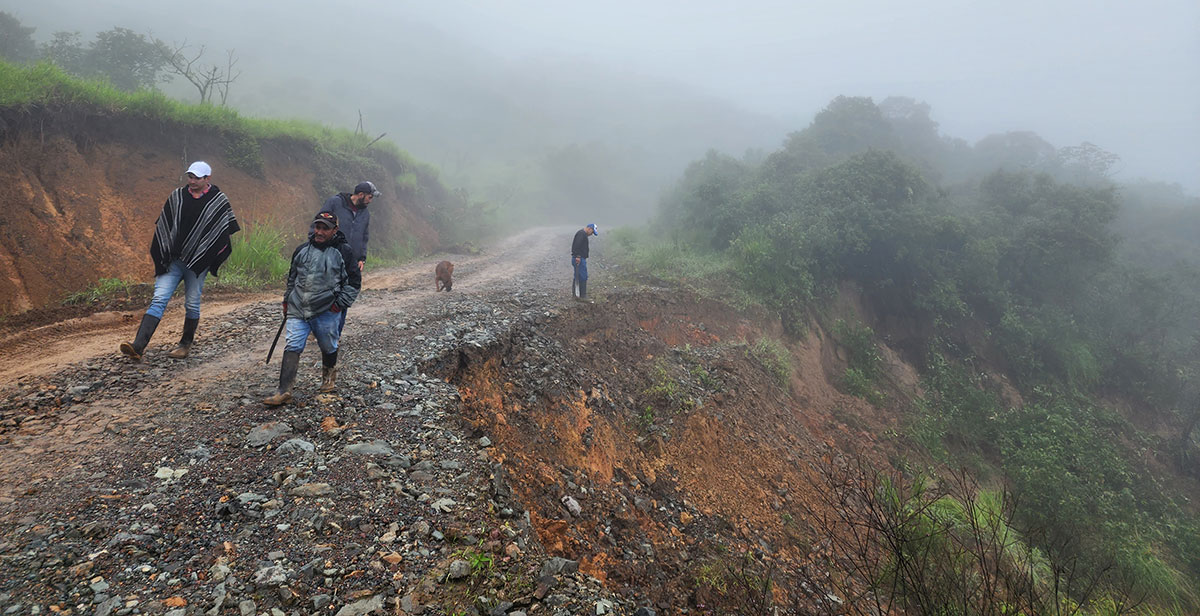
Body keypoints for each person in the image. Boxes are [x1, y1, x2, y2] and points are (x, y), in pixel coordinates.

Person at [120, 161, 239, 361]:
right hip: (174, 261)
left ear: (207, 179)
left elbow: (222, 232)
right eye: (190, 177)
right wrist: (165, 250)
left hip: (197, 264)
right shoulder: (177, 196)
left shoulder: (218, 201)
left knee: (192, 303)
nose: (192, 181)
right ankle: (138, 346)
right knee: (159, 299)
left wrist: (208, 256)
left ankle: (185, 345)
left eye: (197, 178)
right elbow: (165, 224)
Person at [263, 211, 361, 406]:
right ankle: (284, 390)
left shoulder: (344, 251)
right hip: (298, 307)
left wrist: (339, 304)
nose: (320, 231)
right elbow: (292, 278)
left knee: (328, 346)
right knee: (293, 344)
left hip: (327, 310)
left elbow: (353, 282)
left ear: (335, 230)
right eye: (318, 227)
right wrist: (286, 301)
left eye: (325, 228)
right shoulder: (301, 250)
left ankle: (328, 379)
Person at [317, 181, 377, 334]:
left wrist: (362, 258)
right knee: (323, 292)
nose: (371, 201)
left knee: (344, 296)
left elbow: (364, 236)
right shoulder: (335, 203)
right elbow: (318, 226)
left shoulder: (365, 213)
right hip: (329, 256)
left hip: (351, 261)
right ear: (361, 195)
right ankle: (317, 327)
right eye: (370, 197)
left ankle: (334, 333)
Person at [571, 223, 599, 302]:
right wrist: (578, 256)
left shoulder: (582, 234)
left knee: (578, 276)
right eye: (592, 232)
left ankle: (576, 295)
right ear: (589, 228)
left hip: (579, 258)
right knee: (583, 276)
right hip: (579, 259)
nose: (591, 234)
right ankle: (582, 295)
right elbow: (577, 246)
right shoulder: (581, 234)